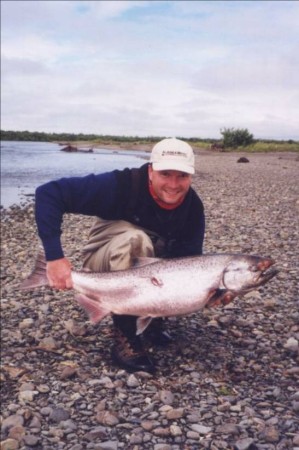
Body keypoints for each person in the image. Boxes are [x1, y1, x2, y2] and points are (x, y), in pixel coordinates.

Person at [35, 137, 205, 373]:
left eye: (182, 176)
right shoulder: (121, 186)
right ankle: (125, 334)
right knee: (135, 241)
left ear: (191, 176)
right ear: (150, 171)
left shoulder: (192, 208)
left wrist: (213, 292)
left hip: (152, 271)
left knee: (178, 265)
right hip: (105, 259)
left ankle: (150, 317)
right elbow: (48, 193)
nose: (174, 184)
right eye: (166, 174)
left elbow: (189, 263)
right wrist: (54, 257)